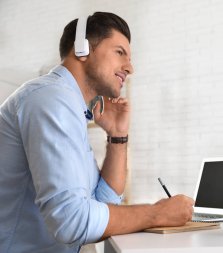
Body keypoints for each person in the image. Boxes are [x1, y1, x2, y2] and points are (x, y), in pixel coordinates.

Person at [0, 12, 194, 253]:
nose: (130, 67)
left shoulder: (71, 107)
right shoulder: (51, 98)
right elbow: (72, 222)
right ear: (82, 49)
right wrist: (156, 213)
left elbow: (103, 205)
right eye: (120, 52)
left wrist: (117, 136)